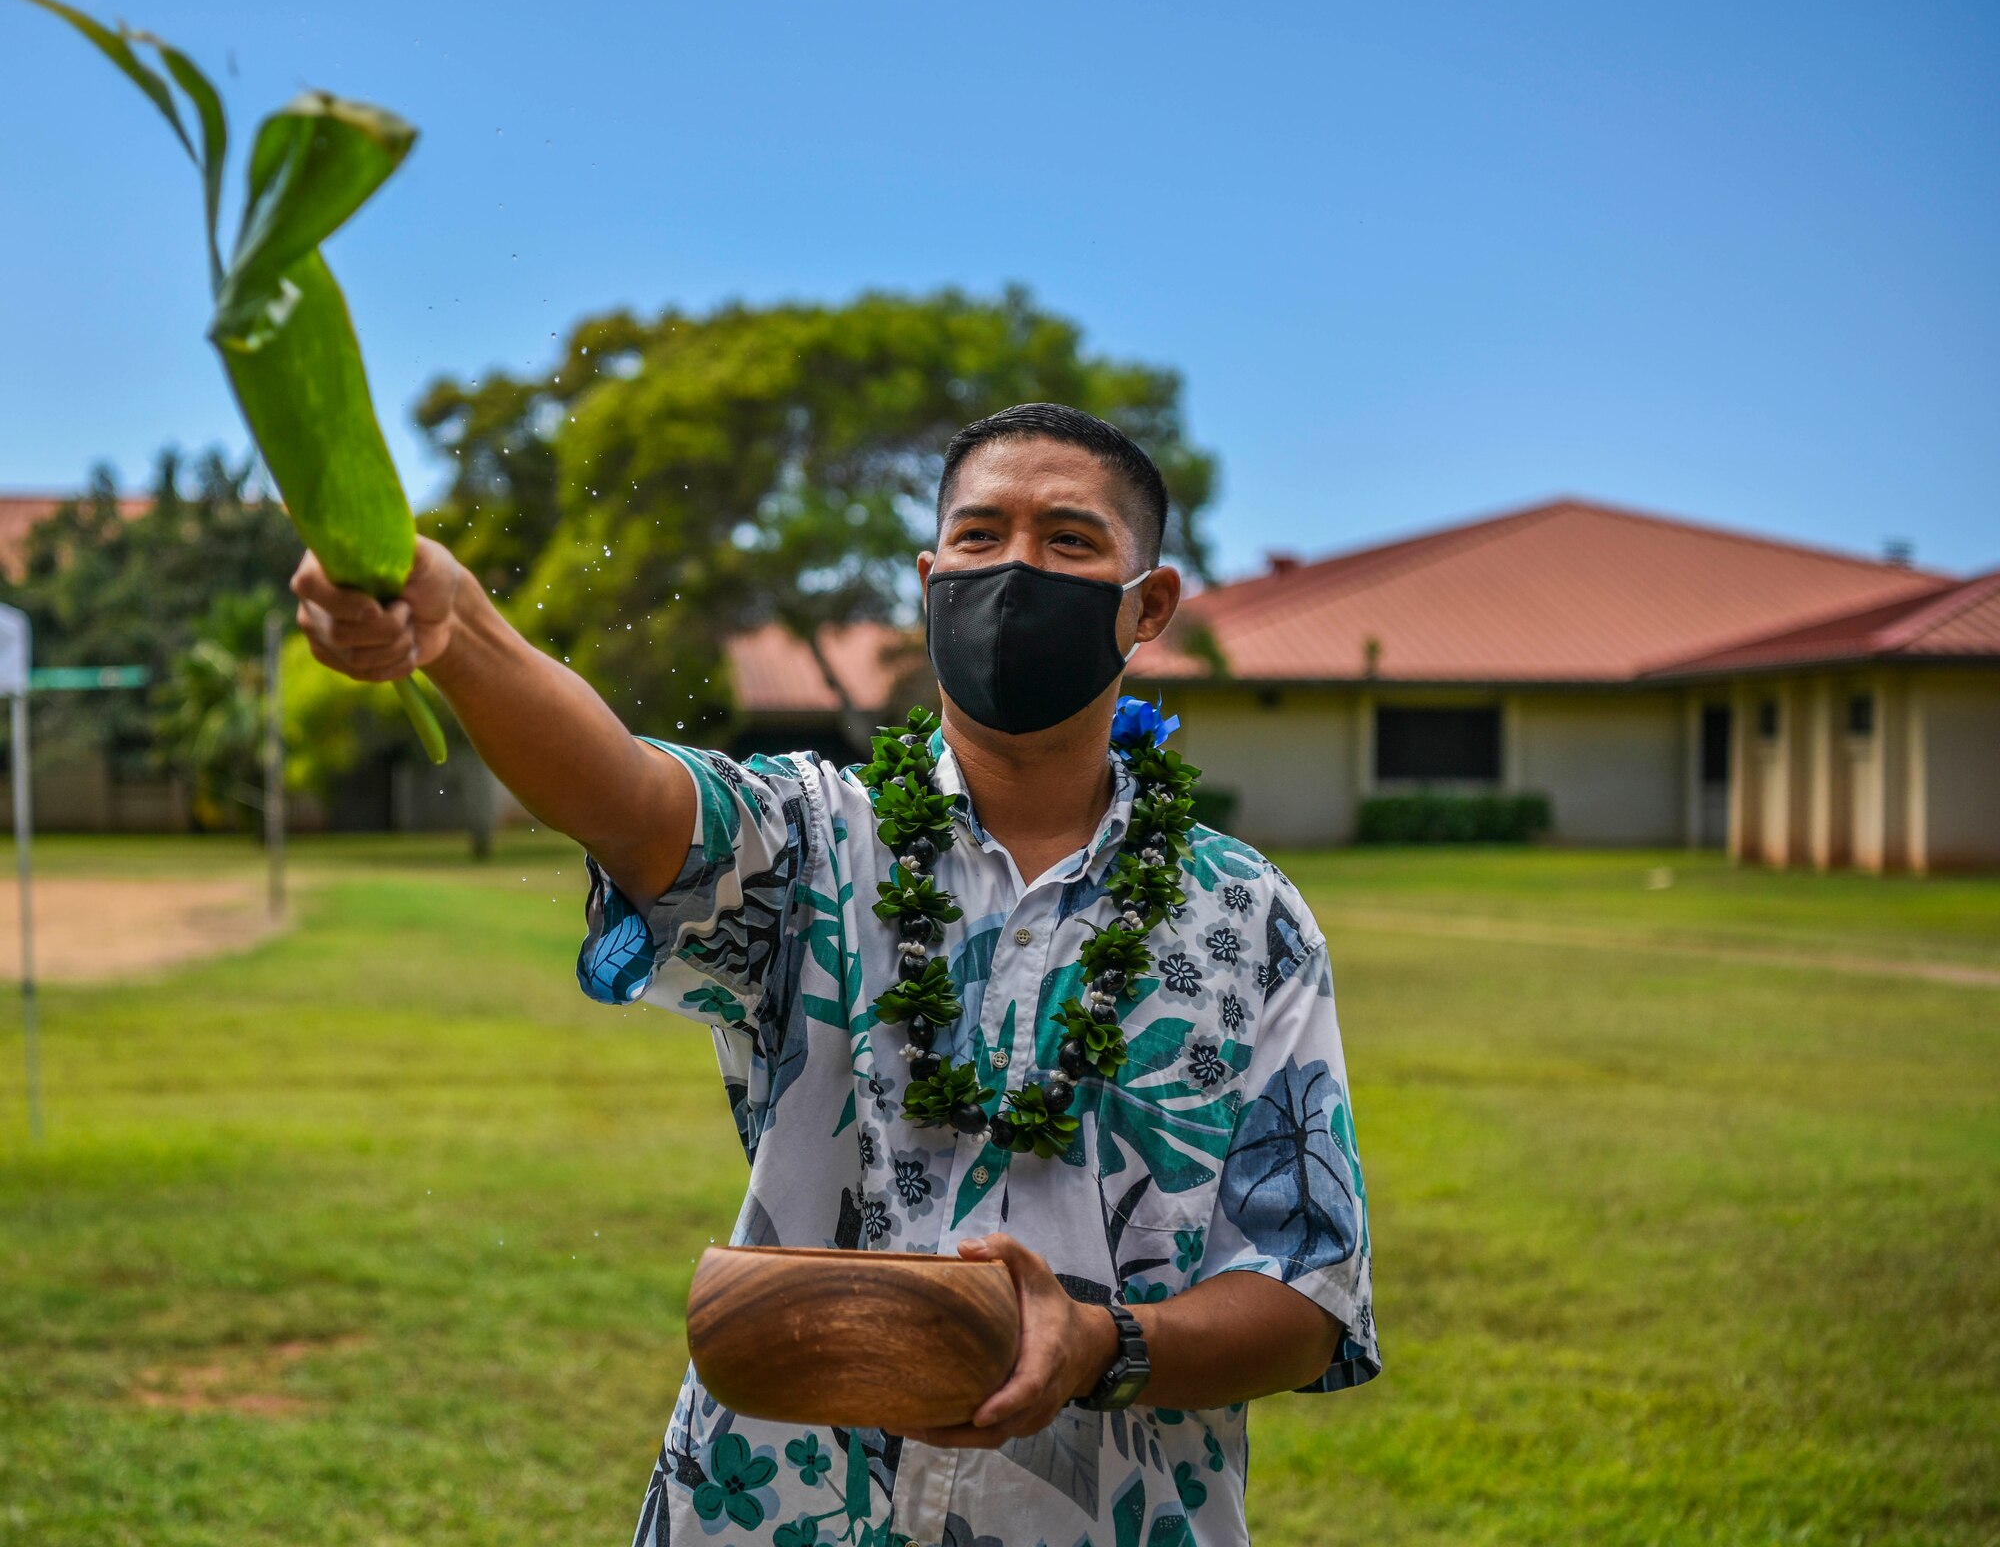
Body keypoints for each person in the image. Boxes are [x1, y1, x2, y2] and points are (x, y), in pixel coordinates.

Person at [293, 402, 1379, 1547]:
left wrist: (1101, 1345)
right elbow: (628, 795)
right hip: (778, 1508)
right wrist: (458, 625)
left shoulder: (1247, 916)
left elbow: (1305, 1292)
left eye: (1067, 540)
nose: (1014, 569)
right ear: (927, 577)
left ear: (1145, 604)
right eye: (977, 536)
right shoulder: (809, 840)